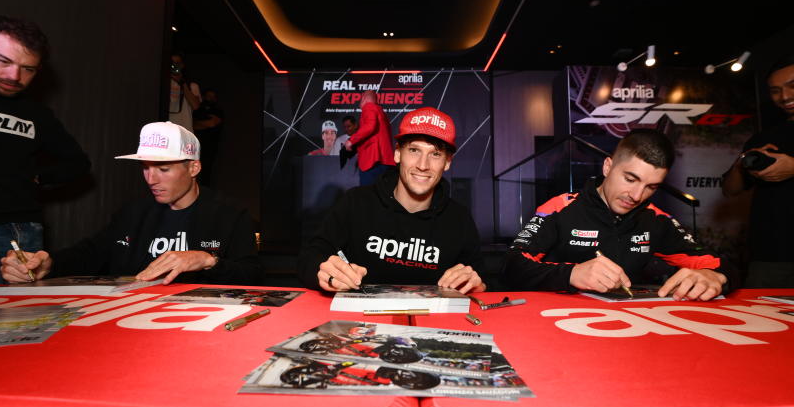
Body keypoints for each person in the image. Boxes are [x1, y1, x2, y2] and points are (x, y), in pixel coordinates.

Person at [1, 122, 262, 285]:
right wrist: (48, 263)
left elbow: (251, 275)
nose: (151, 179)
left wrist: (208, 261)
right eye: (145, 168)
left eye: (163, 169)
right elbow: (92, 253)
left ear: (194, 167)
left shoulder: (230, 214)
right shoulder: (134, 212)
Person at [504, 130, 735, 301]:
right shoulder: (560, 208)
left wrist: (715, 277)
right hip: (560, 324)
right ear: (607, 167)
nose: (636, 195)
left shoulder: (655, 219)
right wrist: (571, 274)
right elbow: (512, 267)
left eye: (651, 187)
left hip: (628, 330)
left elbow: (722, 264)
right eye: (630, 179)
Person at [298, 106, 486, 294]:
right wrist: (323, 272)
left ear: (447, 162)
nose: (423, 165)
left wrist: (477, 284)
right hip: (359, 321)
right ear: (397, 154)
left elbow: (482, 279)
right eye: (414, 150)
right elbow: (309, 258)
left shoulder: (459, 219)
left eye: (435, 154)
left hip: (434, 323)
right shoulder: (356, 203)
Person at [0, 15, 91, 284]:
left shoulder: (36, 114)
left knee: (15, 320)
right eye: (4, 61)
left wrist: (37, 177)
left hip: (16, 231)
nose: (14, 76)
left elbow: (78, 163)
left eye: (28, 69)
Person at [722, 56, 794, 287]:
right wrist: (743, 162)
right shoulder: (765, 137)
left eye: (792, 86)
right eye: (775, 90)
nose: (784, 97)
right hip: (771, 254)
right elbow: (730, 189)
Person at [343, 90, 395, 185]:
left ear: (364, 99)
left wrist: (351, 140)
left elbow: (370, 126)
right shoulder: (381, 112)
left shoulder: (369, 107)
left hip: (372, 161)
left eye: (360, 100)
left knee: (367, 195)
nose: (359, 104)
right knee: (381, 195)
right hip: (384, 161)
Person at [193, 88, 224, 185]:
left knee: (207, 173)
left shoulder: (218, 111)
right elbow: (193, 125)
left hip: (210, 147)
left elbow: (212, 123)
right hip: (195, 146)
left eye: (212, 97)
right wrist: (201, 124)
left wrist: (199, 124)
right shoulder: (197, 109)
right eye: (208, 96)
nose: (210, 99)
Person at [169, 52, 201, 131]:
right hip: (166, 130)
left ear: (182, 65)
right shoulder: (161, 84)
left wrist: (182, 83)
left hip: (184, 130)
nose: (174, 66)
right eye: (172, 63)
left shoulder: (191, 85)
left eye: (177, 63)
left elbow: (196, 106)